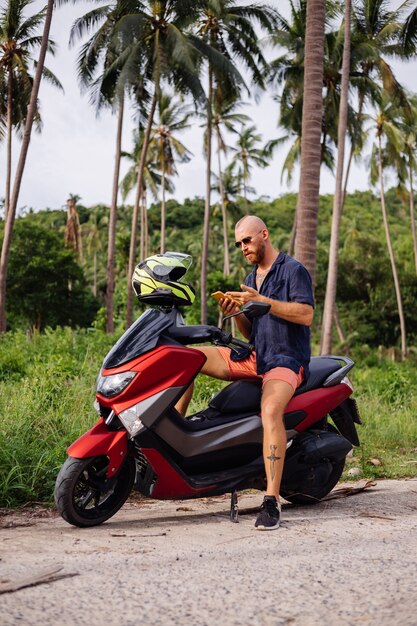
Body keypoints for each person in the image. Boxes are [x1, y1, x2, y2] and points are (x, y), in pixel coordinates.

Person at [176, 215, 314, 530]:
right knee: (187, 357)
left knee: (269, 411)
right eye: (239, 244)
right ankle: (174, 438)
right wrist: (236, 312)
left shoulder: (293, 270)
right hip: (256, 355)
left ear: (264, 234)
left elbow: (306, 315)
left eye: (247, 241)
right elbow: (251, 330)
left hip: (286, 358)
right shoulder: (251, 278)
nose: (243, 247)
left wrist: (263, 301)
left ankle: (271, 500)